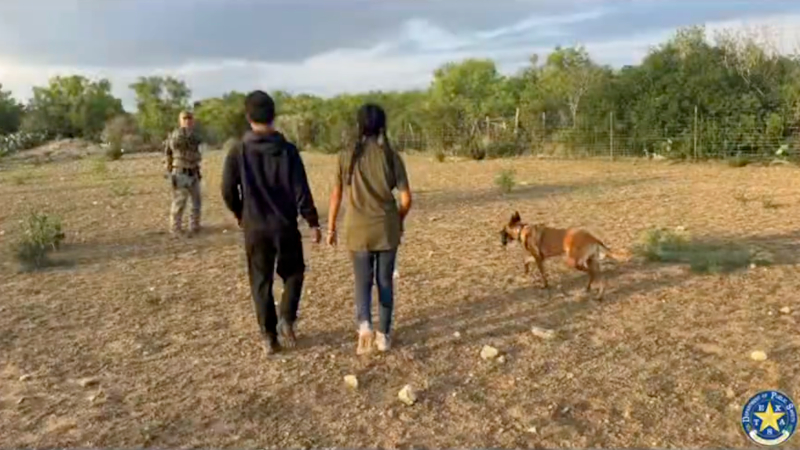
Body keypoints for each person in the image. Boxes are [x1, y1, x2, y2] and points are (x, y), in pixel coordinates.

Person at [221, 90, 321, 355]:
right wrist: (312, 221)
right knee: (294, 272)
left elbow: (227, 189)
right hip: (285, 225)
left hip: (255, 227)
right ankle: (286, 318)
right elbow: (301, 189)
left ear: (247, 116)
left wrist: (240, 212)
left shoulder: (239, 151)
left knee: (261, 281)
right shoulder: (287, 151)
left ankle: (268, 336)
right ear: (274, 115)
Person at [326, 103, 413, 355]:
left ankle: (364, 326)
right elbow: (407, 199)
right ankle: (383, 335)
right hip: (386, 230)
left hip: (357, 230)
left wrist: (331, 227)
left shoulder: (345, 156)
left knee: (362, 282)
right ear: (382, 126)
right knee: (385, 282)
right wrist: (397, 220)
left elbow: (336, 195)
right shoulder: (391, 156)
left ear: (359, 125)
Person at [164, 110, 203, 235]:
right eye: (185, 118)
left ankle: (195, 226)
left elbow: (198, 149)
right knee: (180, 202)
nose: (188, 121)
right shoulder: (176, 136)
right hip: (180, 172)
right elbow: (171, 150)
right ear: (180, 121)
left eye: (190, 118)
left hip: (193, 171)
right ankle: (175, 228)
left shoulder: (195, 136)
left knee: (196, 201)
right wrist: (168, 170)